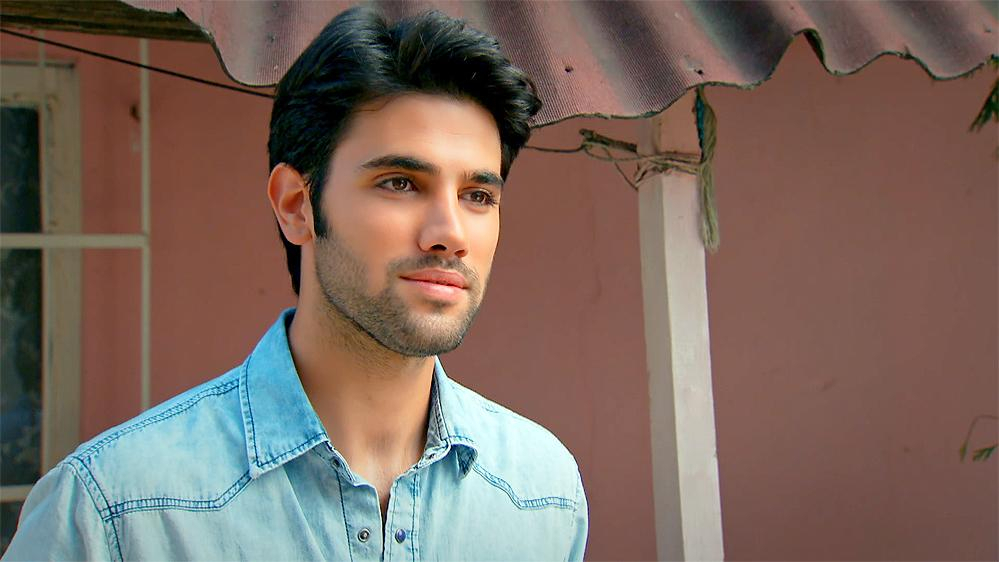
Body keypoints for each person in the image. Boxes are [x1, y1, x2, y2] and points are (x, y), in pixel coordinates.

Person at [4, 6, 587, 561]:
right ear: (296, 205)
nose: (450, 234)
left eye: (478, 196)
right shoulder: (114, 511)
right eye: (400, 183)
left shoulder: (542, 495)